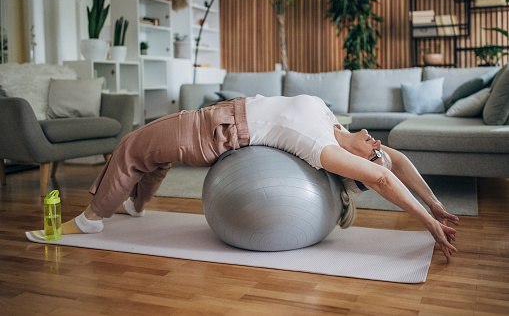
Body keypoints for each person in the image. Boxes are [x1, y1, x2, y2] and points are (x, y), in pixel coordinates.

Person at [61, 94, 459, 262]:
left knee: (133, 146)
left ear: (357, 165)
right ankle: (135, 204)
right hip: (222, 116)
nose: (376, 144)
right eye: (377, 148)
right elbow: (398, 161)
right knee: (155, 157)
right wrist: (437, 205)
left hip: (213, 131)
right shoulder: (333, 123)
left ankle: (92, 218)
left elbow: (385, 179)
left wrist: (427, 225)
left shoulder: (324, 148)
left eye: (373, 154)